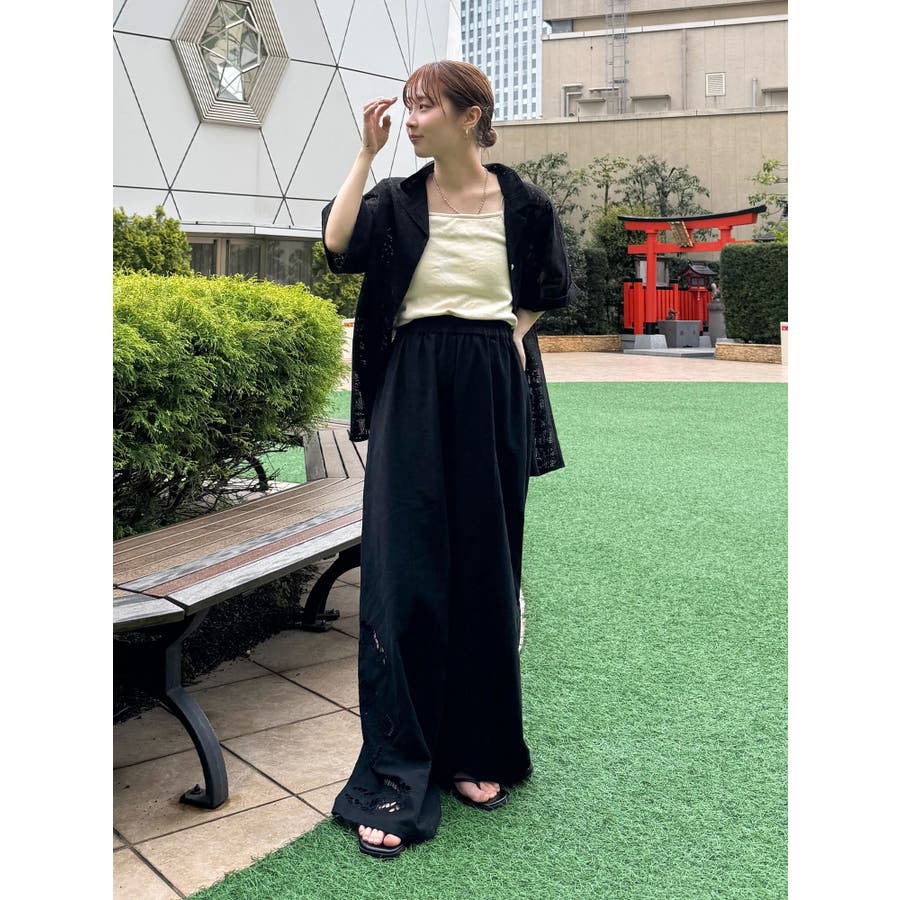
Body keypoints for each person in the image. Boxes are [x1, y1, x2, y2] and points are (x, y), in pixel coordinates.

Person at [321, 60, 573, 859]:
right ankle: (397, 770)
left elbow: (547, 288)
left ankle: (477, 750)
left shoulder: (525, 205)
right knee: (404, 573)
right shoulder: (397, 198)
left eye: (425, 106)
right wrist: (365, 155)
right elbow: (337, 244)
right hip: (415, 381)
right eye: (408, 106)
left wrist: (512, 335)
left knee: (485, 567)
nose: (411, 119)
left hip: (491, 385)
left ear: (470, 116)